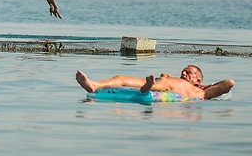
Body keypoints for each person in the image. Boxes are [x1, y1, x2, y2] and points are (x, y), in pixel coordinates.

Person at [75, 65, 234, 99]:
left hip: (171, 95)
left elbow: (229, 83)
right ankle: (93, 84)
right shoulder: (175, 79)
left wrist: (203, 86)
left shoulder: (203, 92)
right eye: (183, 71)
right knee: (121, 78)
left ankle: (147, 88)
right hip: (165, 87)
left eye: (188, 72)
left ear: (198, 80)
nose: (183, 72)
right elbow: (164, 73)